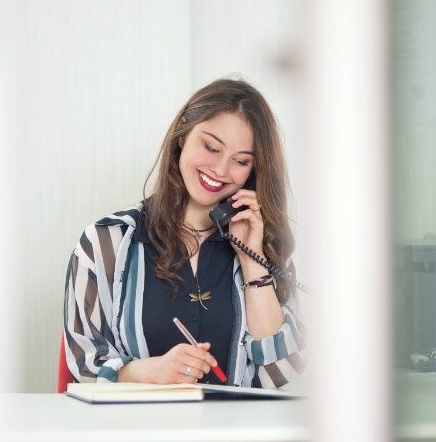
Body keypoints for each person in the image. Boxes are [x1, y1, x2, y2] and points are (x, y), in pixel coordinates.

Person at [63, 78, 305, 388]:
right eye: (211, 147)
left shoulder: (264, 247)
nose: (220, 170)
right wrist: (145, 372)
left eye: (241, 161)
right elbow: (83, 363)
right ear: (182, 136)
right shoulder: (106, 241)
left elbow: (280, 369)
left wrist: (251, 260)